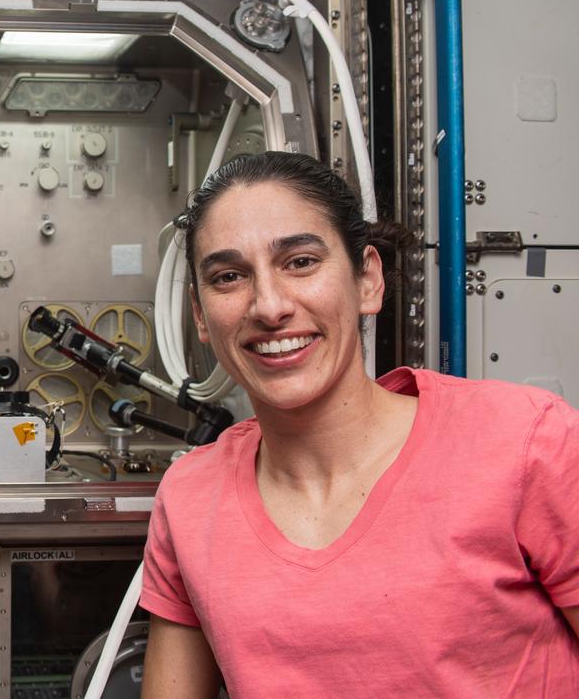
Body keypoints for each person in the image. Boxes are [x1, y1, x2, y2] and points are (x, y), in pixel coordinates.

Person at [139, 151, 579, 697]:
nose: (269, 305)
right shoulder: (189, 499)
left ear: (367, 279)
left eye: (300, 261)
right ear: (202, 317)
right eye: (230, 277)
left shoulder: (525, 444)